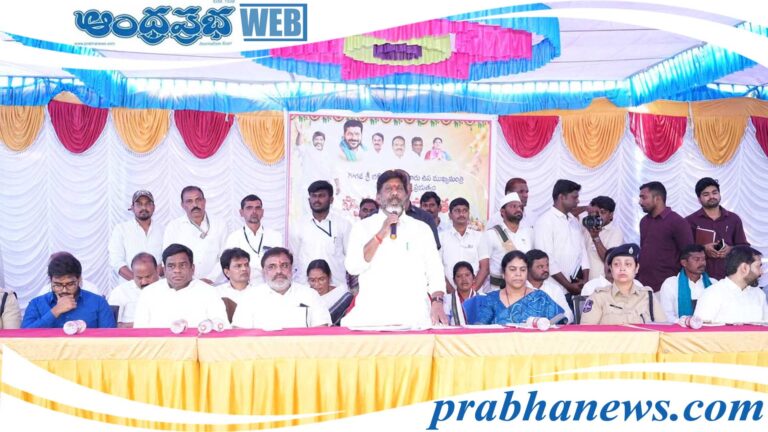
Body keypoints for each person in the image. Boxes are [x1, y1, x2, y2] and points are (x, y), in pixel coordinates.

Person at [343, 169, 446, 327]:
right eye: (388, 189)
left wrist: (437, 302)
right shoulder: (362, 227)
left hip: (414, 317)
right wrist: (381, 233)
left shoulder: (421, 229)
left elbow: (435, 270)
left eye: (399, 188)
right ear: (378, 197)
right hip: (371, 317)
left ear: (406, 195)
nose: (394, 193)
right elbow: (353, 267)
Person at [133, 244, 229, 328]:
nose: (177, 270)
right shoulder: (149, 293)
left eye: (182, 265)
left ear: (192, 268)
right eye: (171, 266)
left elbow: (221, 328)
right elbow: (139, 331)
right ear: (164, 270)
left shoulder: (209, 292)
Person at [232, 248, 331, 328]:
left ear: (291, 268)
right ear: (263, 271)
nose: (279, 271)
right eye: (272, 267)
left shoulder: (310, 295)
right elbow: (239, 334)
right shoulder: (250, 298)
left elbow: (322, 330)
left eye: (284, 265)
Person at [533, 180, 590, 309]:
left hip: (577, 289)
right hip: (554, 291)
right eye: (574, 197)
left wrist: (585, 281)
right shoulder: (545, 221)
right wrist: (568, 286)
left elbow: (583, 252)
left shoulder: (574, 221)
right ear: (561, 197)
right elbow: (546, 260)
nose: (578, 201)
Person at [580, 244, 667, 325]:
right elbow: (585, 332)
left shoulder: (647, 296)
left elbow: (664, 330)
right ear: (611, 269)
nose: (622, 268)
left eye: (628, 264)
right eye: (617, 264)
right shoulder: (598, 297)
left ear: (636, 268)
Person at [22, 254, 116, 328]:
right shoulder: (36, 304)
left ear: (79, 279)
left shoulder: (98, 303)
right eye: (58, 285)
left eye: (70, 284)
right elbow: (23, 337)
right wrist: (55, 312)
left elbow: (110, 338)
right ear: (50, 280)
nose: (64, 290)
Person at [474, 251, 565, 325]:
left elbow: (559, 326)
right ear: (503, 273)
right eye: (512, 269)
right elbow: (479, 331)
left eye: (523, 269)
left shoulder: (540, 298)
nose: (518, 274)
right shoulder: (491, 299)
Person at [685, 177, 750, 280]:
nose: (711, 196)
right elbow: (684, 250)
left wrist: (730, 250)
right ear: (699, 199)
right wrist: (704, 249)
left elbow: (745, 248)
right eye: (706, 194)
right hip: (700, 278)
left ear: (719, 194)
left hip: (729, 278)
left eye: (714, 192)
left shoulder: (733, 219)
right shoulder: (689, 221)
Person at [290, 180, 351, 287]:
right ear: (309, 199)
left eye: (321, 196)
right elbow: (293, 259)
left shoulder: (343, 225)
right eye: (314, 196)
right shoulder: (298, 225)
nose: (317, 200)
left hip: (335, 286)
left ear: (331, 199)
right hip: (305, 286)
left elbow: (350, 257)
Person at [163, 186, 228, 284]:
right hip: (184, 285)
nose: (195, 204)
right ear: (182, 205)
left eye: (198, 200)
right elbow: (167, 259)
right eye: (189, 201)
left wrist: (211, 279)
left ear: (204, 201)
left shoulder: (220, 224)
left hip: (214, 284)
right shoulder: (173, 227)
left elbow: (225, 257)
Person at [638, 181, 694, 292]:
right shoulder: (644, 221)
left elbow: (688, 254)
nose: (640, 202)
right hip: (643, 285)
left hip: (667, 287)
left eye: (644, 198)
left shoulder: (678, 222)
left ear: (657, 199)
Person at [694, 246, 767, 323]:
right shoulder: (712, 294)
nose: (761, 272)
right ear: (744, 268)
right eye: (758, 266)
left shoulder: (759, 294)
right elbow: (701, 328)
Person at [224, 194, 283, 283]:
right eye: (249, 208)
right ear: (241, 212)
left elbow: (280, 263)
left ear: (262, 212)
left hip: (270, 286)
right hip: (244, 286)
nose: (254, 211)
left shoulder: (275, 236)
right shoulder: (234, 238)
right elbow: (230, 266)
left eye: (257, 208)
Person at [108, 190, 163, 282]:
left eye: (147, 204)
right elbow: (116, 262)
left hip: (157, 286)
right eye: (139, 204)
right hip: (129, 287)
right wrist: (138, 281)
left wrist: (151, 281)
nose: (144, 207)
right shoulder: (121, 229)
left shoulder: (163, 230)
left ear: (153, 207)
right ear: (132, 207)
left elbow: (167, 261)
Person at [484, 192, 533, 292]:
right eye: (513, 206)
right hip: (498, 290)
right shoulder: (491, 234)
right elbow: (484, 267)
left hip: (522, 290)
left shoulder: (529, 233)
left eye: (520, 207)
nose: (518, 209)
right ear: (502, 212)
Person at [440, 198, 489, 293]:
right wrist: (454, 294)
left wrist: (470, 293)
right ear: (450, 215)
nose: (461, 214)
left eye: (464, 211)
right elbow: (437, 268)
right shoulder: (441, 237)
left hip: (475, 294)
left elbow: (485, 268)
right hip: (448, 294)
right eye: (457, 211)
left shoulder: (479, 237)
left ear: (468, 214)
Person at [659, 244, 717, 321]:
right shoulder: (670, 284)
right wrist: (687, 323)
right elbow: (666, 316)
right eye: (696, 259)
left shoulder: (713, 284)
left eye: (703, 259)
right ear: (684, 263)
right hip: (679, 327)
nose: (702, 263)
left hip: (709, 327)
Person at [108, 252, 160, 328]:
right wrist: (143, 325)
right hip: (130, 335)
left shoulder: (168, 288)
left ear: (157, 271)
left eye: (148, 277)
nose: (144, 282)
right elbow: (111, 324)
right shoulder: (119, 292)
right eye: (139, 278)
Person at [525, 249, 574, 324]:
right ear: (528, 268)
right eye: (540, 267)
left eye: (547, 265)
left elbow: (568, 315)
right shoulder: (518, 288)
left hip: (552, 329)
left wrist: (553, 323)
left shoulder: (554, 289)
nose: (546, 269)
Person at [396, 169, 441, 250]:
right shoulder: (377, 216)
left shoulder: (425, 217)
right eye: (395, 186)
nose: (400, 189)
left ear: (410, 188)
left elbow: (433, 249)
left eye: (403, 185)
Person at [582, 196, 624, 280]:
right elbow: (568, 215)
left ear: (611, 215)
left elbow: (610, 260)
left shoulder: (616, 232)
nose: (597, 215)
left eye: (602, 212)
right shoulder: (586, 227)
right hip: (585, 283)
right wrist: (585, 208)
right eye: (593, 212)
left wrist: (596, 238)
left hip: (602, 283)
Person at [306, 259, 352, 324]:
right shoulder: (305, 296)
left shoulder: (342, 295)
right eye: (312, 280)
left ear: (329, 277)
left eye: (321, 279)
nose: (317, 284)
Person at [443, 261, 478, 326]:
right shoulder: (447, 299)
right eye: (459, 276)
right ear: (454, 280)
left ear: (473, 278)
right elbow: (445, 324)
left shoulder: (483, 298)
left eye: (467, 275)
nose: (464, 279)